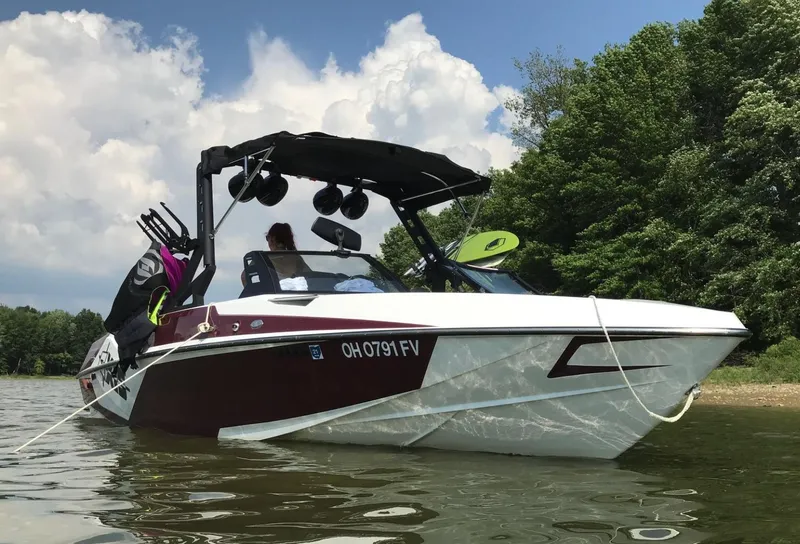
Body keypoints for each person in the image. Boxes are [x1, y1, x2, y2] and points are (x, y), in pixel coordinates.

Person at [240, 222, 309, 286]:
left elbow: (244, 276)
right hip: (294, 293)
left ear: (273, 239)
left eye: (268, 238)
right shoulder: (296, 258)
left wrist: (255, 292)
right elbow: (311, 276)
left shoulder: (262, 258)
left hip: (270, 294)